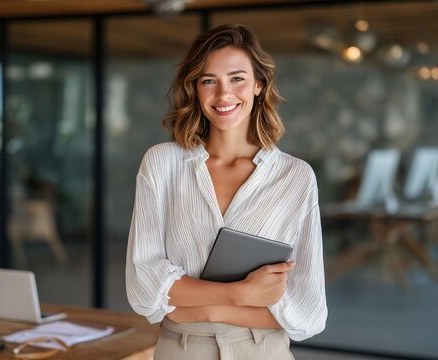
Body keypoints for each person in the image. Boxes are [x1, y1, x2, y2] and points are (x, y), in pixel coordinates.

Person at [126, 24, 327, 359]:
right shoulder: (161, 164)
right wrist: (243, 294)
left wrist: (198, 308)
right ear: (195, 88)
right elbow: (143, 286)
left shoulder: (295, 177)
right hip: (181, 350)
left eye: (237, 78)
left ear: (259, 84)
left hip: (263, 351)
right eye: (209, 81)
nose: (223, 94)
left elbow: (308, 312)